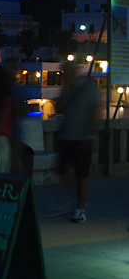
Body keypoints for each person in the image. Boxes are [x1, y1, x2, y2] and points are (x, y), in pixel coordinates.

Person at [55, 61, 101, 223]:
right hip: (66, 136)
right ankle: (80, 198)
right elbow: (58, 109)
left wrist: (91, 135)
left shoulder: (89, 88)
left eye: (68, 71)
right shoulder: (67, 89)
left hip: (82, 138)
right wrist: (64, 92)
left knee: (82, 174)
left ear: (75, 72)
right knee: (61, 172)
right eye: (64, 72)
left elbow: (97, 111)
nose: (66, 74)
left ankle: (80, 208)